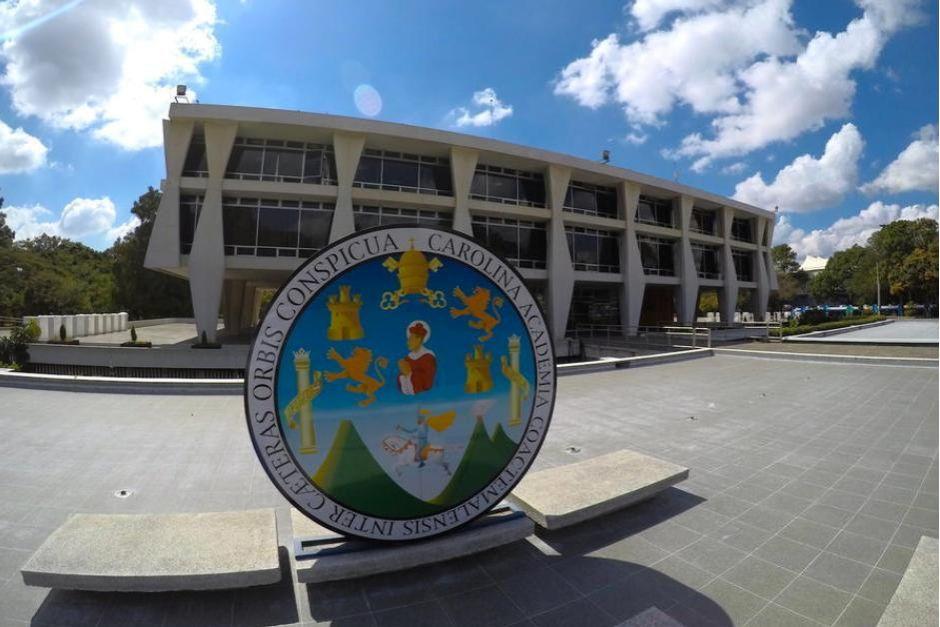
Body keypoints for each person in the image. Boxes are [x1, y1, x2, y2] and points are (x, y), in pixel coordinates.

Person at [397, 321, 436, 395]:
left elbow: (427, 384)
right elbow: (400, 383)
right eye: (408, 340)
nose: (408, 342)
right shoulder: (407, 359)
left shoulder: (428, 357)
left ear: (419, 340)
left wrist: (408, 373)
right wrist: (403, 374)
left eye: (411, 339)